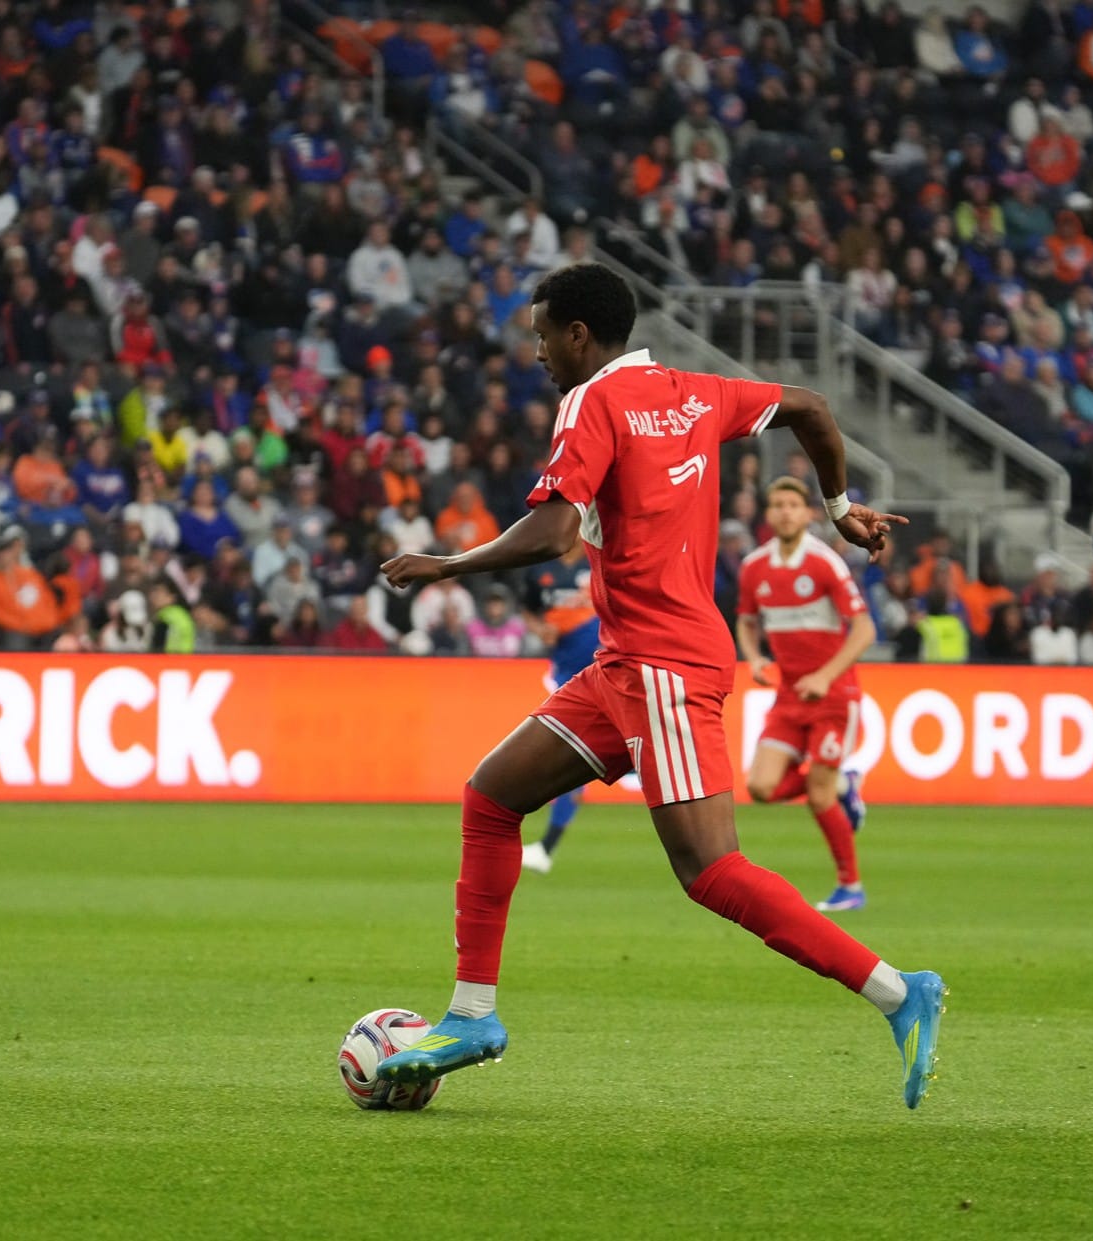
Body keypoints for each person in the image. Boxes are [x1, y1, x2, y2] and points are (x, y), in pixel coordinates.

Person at [377, 263, 945, 1107]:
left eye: (540, 336)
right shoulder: (691, 389)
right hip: (623, 664)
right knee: (492, 797)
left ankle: (901, 990)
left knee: (711, 870)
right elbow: (811, 408)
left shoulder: (592, 403)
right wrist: (837, 507)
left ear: (578, 335)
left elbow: (555, 533)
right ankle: (472, 1014)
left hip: (663, 667)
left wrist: (446, 564)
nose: (535, 354)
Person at [736, 477, 875, 912]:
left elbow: (865, 628)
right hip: (789, 697)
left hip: (834, 695)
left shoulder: (824, 562)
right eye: (776, 504)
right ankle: (843, 784)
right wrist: (754, 658)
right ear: (768, 514)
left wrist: (825, 676)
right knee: (760, 787)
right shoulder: (754, 567)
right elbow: (745, 620)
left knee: (818, 796)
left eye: (793, 504)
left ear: (808, 513)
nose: (784, 512)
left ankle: (850, 886)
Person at [519, 536, 601, 874]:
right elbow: (528, 609)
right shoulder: (542, 569)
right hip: (567, 671)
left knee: (570, 753)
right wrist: (539, 629)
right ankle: (546, 848)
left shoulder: (598, 566)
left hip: (602, 666)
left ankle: (546, 848)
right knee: (573, 754)